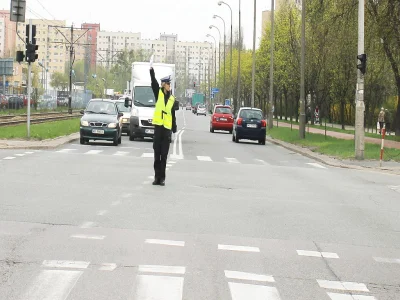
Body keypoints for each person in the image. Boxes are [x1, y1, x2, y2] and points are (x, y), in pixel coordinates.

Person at [150, 67, 177, 186]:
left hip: (166, 130)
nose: (169, 86)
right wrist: (152, 71)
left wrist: (174, 127)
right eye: (168, 84)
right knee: (157, 155)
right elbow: (154, 83)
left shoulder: (172, 99)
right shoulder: (158, 93)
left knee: (164, 156)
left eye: (169, 84)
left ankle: (162, 179)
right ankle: (156, 177)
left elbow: (173, 114)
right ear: (163, 85)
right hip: (158, 128)